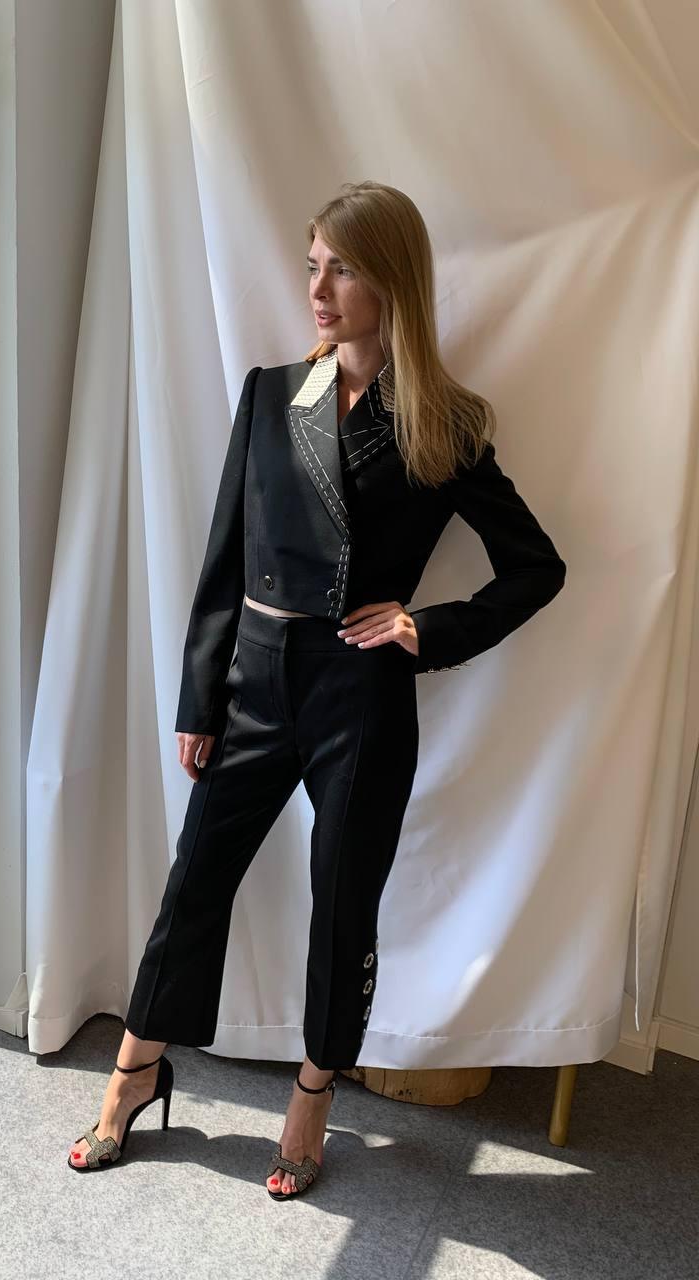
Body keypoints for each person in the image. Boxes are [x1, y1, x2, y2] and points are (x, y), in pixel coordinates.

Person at [67, 181, 567, 1197]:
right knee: (194, 884)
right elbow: (225, 557)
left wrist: (424, 627)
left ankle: (312, 1092)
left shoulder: (444, 422)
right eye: (313, 267)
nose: (319, 289)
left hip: (360, 694)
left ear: (392, 281)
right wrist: (200, 699)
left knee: (343, 905)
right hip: (256, 681)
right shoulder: (270, 395)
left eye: (342, 269)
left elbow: (536, 567)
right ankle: (137, 1065)